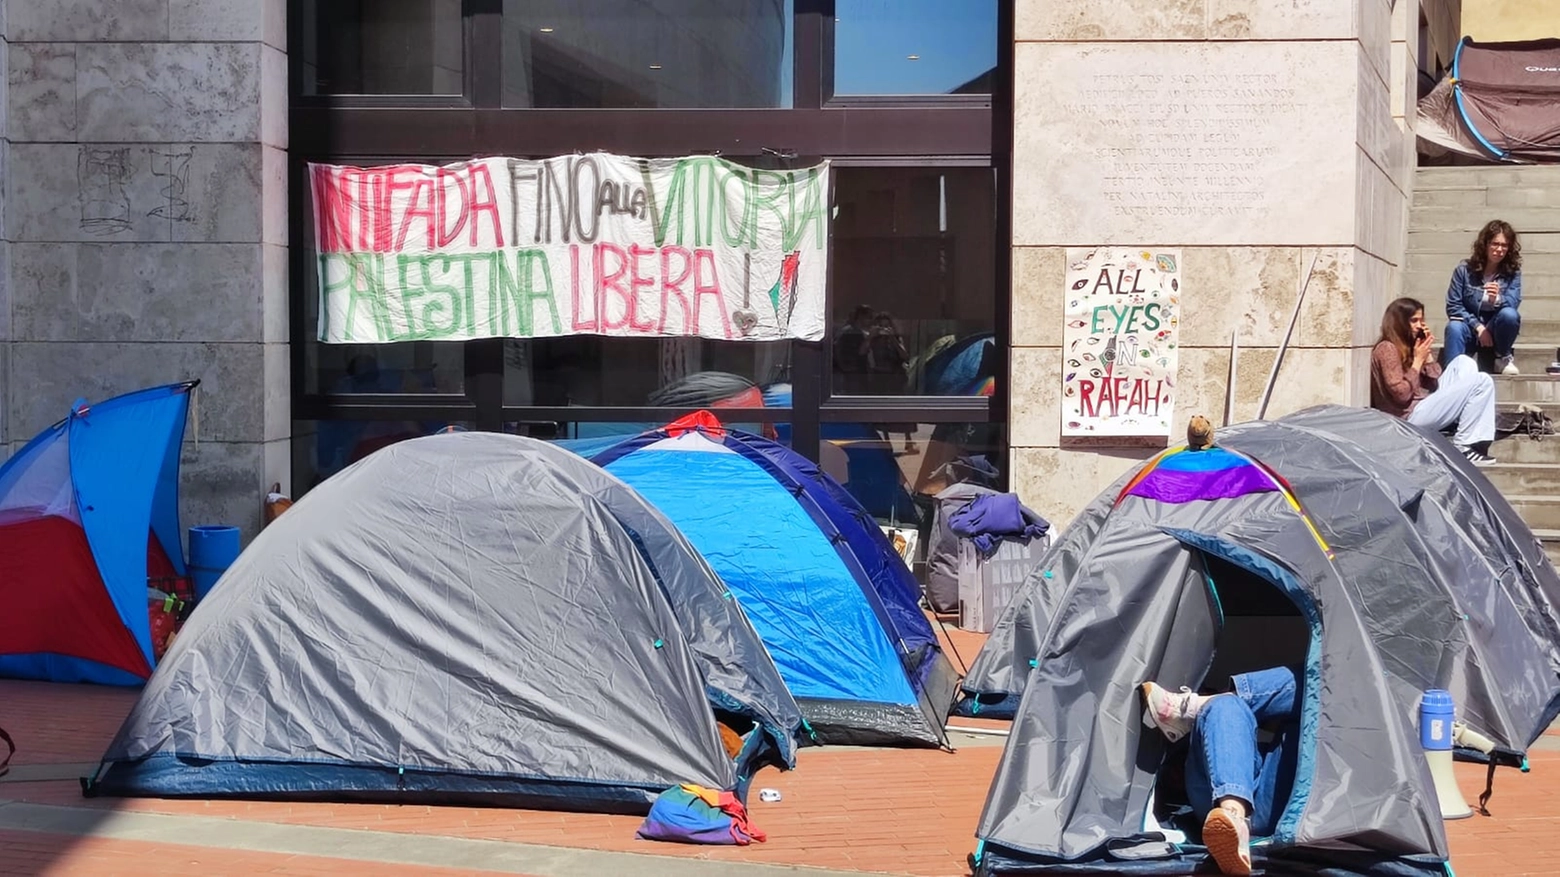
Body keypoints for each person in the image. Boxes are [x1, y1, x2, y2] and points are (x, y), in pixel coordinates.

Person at [1140, 668, 1304, 877]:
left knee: (1326, 678)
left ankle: (1191, 710)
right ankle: (1234, 821)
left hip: (1286, 803)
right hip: (1256, 802)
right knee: (1227, 705)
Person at [1371, 297, 1497, 466]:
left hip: (1423, 404)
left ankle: (1462, 424)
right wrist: (1417, 362)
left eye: (1421, 320)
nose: (1419, 325)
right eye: (1414, 320)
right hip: (1406, 418)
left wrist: (1428, 357)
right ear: (1399, 322)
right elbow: (1400, 394)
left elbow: (1435, 382)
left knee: (1463, 362)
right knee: (1482, 380)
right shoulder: (1387, 348)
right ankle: (1463, 446)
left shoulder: (1410, 346)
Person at [1443, 219, 1523, 374]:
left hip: (1496, 329)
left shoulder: (1513, 273)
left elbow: (1513, 304)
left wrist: (1498, 299)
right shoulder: (1464, 270)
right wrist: (1478, 327)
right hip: (1470, 327)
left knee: (1509, 314)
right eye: (1495, 243)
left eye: (1504, 245)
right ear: (1485, 244)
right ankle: (1452, 375)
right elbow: (1454, 306)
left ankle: (1502, 357)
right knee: (1454, 326)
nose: (1499, 249)